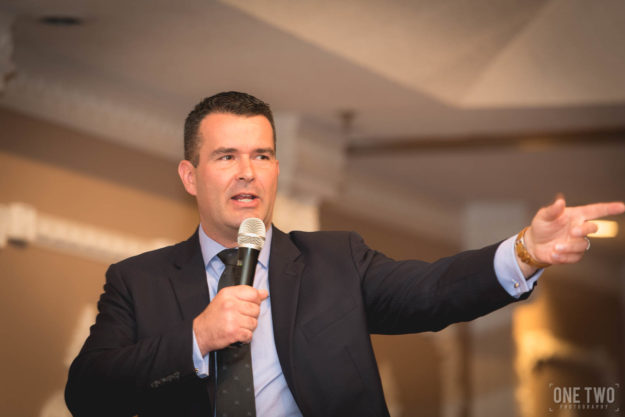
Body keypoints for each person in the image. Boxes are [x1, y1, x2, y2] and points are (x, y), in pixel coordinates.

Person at [65, 91, 625, 417]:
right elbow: (88, 391)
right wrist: (198, 338)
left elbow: (432, 291)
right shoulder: (136, 281)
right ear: (190, 176)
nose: (248, 172)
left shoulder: (335, 261)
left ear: (276, 170)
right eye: (227, 156)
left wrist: (526, 252)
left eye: (263, 155)